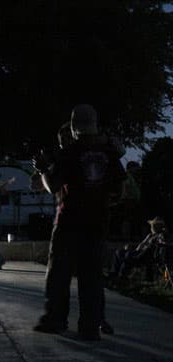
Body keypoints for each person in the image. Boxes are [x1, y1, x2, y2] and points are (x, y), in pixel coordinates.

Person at [33, 105, 126, 341]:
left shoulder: (70, 152)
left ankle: (55, 320)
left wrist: (44, 167)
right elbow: (119, 189)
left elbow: (52, 185)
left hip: (69, 221)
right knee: (92, 276)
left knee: (59, 274)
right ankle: (90, 326)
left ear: (74, 127)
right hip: (97, 222)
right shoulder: (110, 153)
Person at [110, 216, 168, 281]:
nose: (152, 227)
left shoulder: (159, 235)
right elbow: (142, 244)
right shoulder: (150, 235)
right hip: (139, 252)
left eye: (154, 225)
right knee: (119, 252)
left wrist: (162, 234)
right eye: (152, 225)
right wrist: (135, 248)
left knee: (128, 256)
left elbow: (162, 242)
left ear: (158, 227)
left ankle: (120, 277)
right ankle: (114, 273)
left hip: (144, 256)